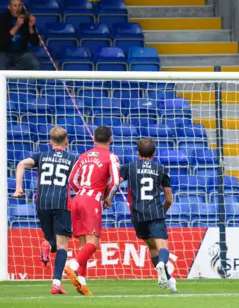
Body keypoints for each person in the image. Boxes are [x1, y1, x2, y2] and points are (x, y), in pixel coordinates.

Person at [12, 127, 77, 295]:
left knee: (51, 241)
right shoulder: (72, 159)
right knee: (62, 246)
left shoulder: (41, 156)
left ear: (50, 142)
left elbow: (20, 164)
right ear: (67, 141)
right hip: (62, 203)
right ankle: (56, 283)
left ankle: (47, 244)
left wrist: (19, 189)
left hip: (42, 203)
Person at [64, 126, 120, 296]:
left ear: (94, 139)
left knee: (83, 246)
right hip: (92, 200)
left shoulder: (84, 156)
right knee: (92, 244)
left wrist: (81, 190)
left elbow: (71, 179)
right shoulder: (111, 156)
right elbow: (116, 182)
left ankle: (81, 282)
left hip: (78, 199)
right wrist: (107, 198)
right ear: (111, 139)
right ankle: (72, 265)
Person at [119, 138, 176, 293]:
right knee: (162, 246)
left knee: (152, 247)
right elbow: (169, 198)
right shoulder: (161, 169)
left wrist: (109, 197)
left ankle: (168, 279)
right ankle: (162, 264)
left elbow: (116, 183)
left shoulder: (129, 167)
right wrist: (162, 211)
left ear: (138, 153)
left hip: (138, 215)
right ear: (154, 153)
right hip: (155, 212)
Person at [0, 0, 40, 71]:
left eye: (19, 5)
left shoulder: (26, 18)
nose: (18, 8)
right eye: (15, 6)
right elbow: (2, 41)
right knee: (1, 71)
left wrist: (31, 27)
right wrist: (17, 26)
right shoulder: (2, 18)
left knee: (35, 64)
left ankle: (35, 83)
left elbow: (35, 43)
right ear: (9, 7)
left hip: (21, 52)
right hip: (3, 52)